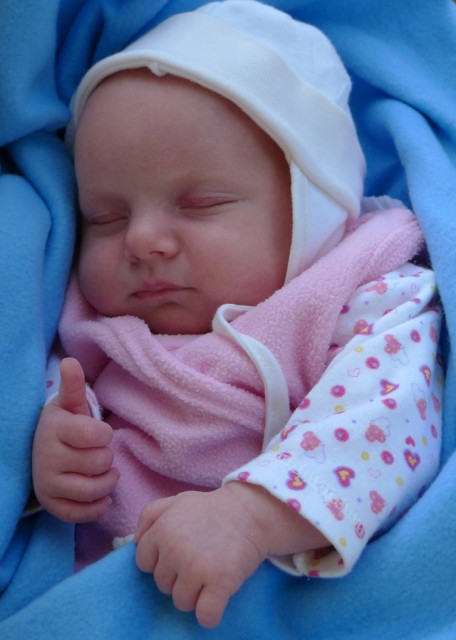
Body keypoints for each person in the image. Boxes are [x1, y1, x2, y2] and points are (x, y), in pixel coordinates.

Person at [31, 0, 443, 630]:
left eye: (200, 203)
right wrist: (54, 454)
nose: (142, 240)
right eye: (105, 218)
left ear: (312, 208)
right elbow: (45, 391)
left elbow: (386, 419)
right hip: (104, 594)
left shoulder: (360, 295)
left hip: (269, 590)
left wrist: (250, 517)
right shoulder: (89, 326)